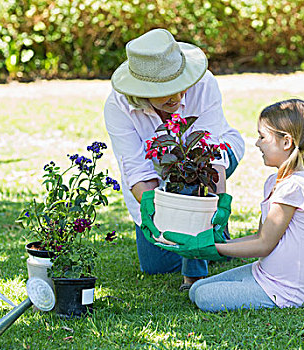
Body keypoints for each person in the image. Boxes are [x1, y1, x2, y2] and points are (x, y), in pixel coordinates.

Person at [103, 28, 245, 290]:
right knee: (155, 265)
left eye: (180, 86)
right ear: (142, 88)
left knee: (189, 179)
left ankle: (195, 274)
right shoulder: (118, 106)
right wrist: (151, 204)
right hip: (160, 179)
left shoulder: (203, 84)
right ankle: (210, 240)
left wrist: (219, 202)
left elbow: (208, 156)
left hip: (213, 159)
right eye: (167, 90)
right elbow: (136, 169)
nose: (179, 96)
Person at [188, 99, 304, 312]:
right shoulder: (275, 181)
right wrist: (213, 243)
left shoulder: (294, 187)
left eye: (262, 137)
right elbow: (259, 236)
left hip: (285, 290)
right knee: (196, 289)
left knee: (204, 297)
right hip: (264, 273)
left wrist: (212, 249)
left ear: (286, 142)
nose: (257, 143)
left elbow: (264, 245)